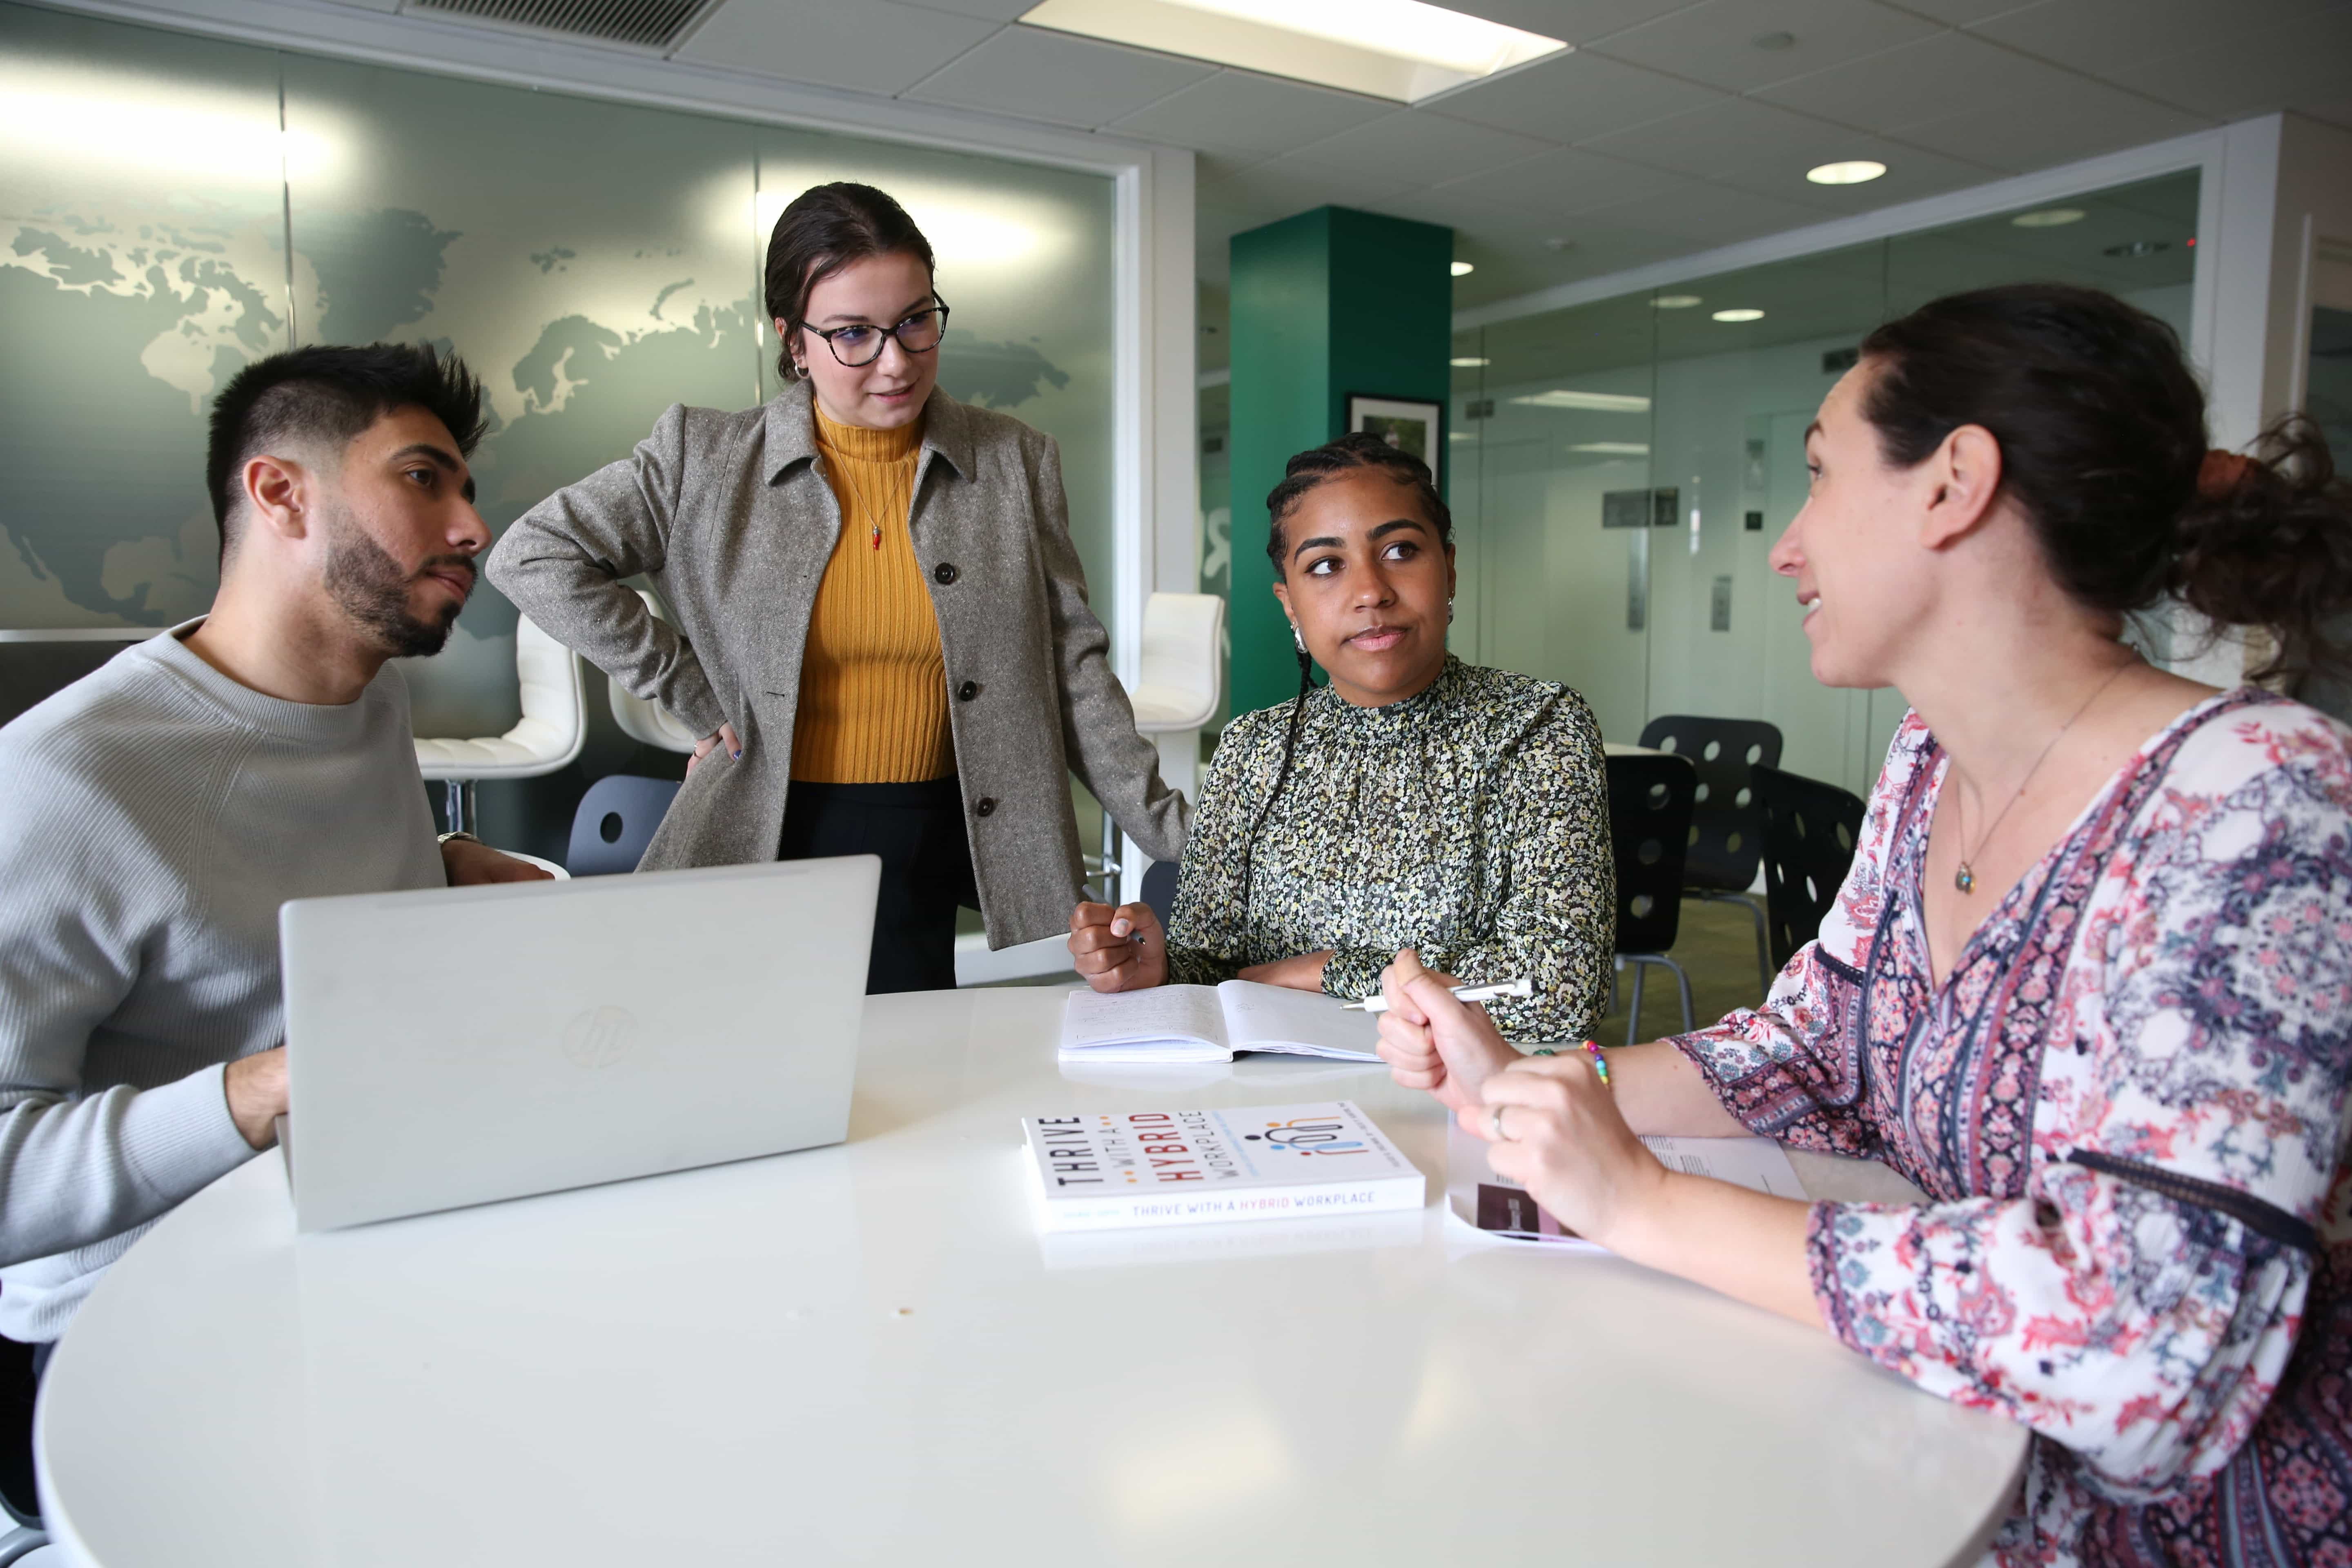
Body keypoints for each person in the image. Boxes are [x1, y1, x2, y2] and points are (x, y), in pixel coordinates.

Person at [1376, 283, 2352, 1566]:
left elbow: (2140, 1345)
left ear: (1954, 484)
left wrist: (1642, 1205)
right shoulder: (1927, 761)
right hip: (1910, 1438)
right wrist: (1543, 1082)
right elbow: (1817, 1037)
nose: (1787, 545)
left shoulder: (2267, 799)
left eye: (1823, 475)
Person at [490, 182, 1184, 995]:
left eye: (917, 322)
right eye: (853, 334)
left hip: (923, 838)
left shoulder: (1013, 462)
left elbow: (1074, 671)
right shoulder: (704, 459)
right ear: (793, 340)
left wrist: (1182, 845)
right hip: (762, 831)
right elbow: (533, 555)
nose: (895, 361)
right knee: (743, 1071)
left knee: (907, 1083)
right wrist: (694, 693)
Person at [0, 343, 548, 1354]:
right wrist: (267, 1087)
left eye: (468, 493)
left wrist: (441, 862)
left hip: (364, 1243)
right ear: (280, 494)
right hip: (137, 1331)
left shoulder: (369, 696)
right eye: (423, 480)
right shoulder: (62, 779)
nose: (474, 530)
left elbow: (250, 881)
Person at [1068, 434, 1614, 1041]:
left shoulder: (1537, 725)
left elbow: (1560, 994)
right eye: (1326, 565)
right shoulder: (1254, 748)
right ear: (1290, 606)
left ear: (1450, 569)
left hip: (1458, 1101)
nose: (1371, 591)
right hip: (1269, 1101)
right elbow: (1213, 974)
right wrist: (1157, 968)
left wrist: (1328, 971)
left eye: (1402, 550)